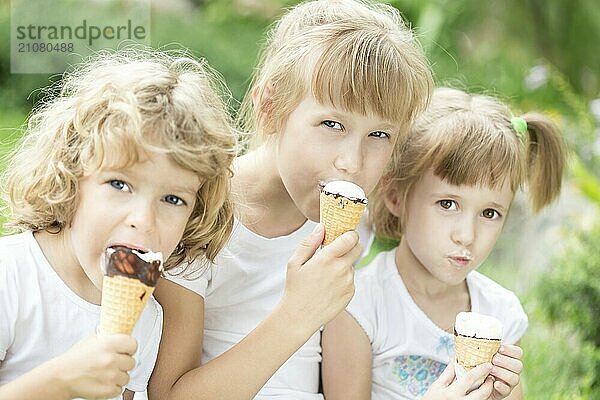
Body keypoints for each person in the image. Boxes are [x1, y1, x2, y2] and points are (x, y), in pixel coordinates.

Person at [148, 1, 433, 399]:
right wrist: (298, 313)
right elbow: (168, 395)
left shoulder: (359, 223)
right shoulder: (202, 213)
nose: (351, 163)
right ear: (269, 108)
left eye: (380, 135)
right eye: (331, 124)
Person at [0, 48, 236, 400]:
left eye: (173, 199)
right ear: (71, 175)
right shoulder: (11, 277)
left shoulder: (148, 317)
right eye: (119, 184)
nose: (142, 220)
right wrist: (59, 381)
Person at [321, 87, 567, 400]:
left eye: (490, 213)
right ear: (396, 196)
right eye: (448, 204)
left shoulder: (499, 312)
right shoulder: (358, 304)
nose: (467, 235)